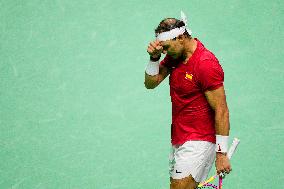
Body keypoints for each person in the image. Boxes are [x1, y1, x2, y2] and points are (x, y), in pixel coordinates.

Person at [144, 11, 232, 189]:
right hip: (179, 137)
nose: (164, 52)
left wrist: (221, 153)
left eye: (166, 47)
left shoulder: (205, 64)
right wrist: (154, 58)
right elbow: (151, 83)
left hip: (199, 140)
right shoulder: (175, 56)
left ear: (182, 37)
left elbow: (221, 109)